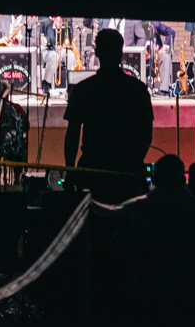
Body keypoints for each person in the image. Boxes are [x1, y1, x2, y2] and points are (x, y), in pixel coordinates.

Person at [61, 27, 153, 203]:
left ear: (97, 53)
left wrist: (70, 171)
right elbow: (146, 134)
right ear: (121, 53)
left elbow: (72, 135)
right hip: (128, 171)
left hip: (92, 169)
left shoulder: (83, 89)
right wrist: (134, 163)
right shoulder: (138, 90)